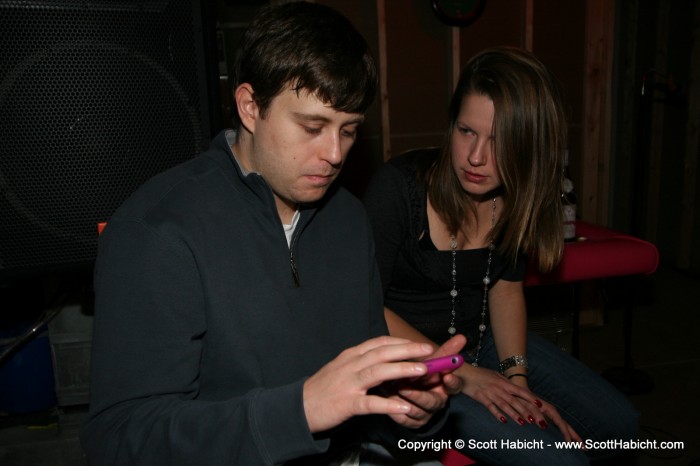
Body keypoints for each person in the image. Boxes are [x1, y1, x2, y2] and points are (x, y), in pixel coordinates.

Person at [79, 3, 466, 465]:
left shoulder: (347, 217)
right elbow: (119, 440)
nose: (335, 153)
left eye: (349, 130)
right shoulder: (158, 230)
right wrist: (299, 412)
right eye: (312, 127)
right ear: (249, 107)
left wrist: (411, 408)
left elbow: (359, 407)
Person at [363, 46, 639, 465]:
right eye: (466, 131)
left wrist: (517, 381)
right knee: (560, 461)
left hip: (481, 344)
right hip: (407, 361)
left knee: (620, 426)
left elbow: (507, 291)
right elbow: (363, 306)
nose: (476, 157)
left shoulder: (518, 197)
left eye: (500, 141)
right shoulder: (397, 189)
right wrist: (466, 376)